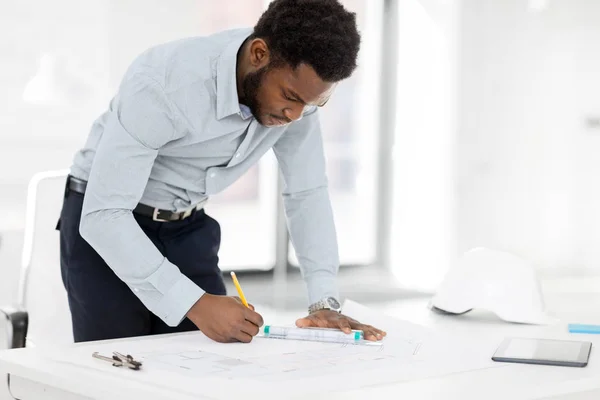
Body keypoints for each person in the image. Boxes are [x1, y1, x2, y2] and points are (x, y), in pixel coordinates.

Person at [58, 0, 386, 343]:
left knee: (211, 364)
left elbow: (307, 193)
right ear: (259, 54)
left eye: (311, 104)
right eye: (290, 97)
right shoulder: (164, 82)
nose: (294, 116)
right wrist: (195, 303)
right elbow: (104, 215)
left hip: (187, 225)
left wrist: (323, 302)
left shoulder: (298, 103)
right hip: (107, 220)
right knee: (115, 376)